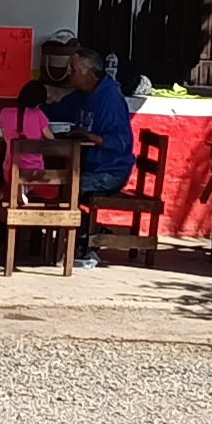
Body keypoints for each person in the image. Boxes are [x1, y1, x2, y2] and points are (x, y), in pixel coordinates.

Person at [51, 41, 135, 267]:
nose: (69, 74)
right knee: (58, 184)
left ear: (90, 75)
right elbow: (58, 111)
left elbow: (121, 142)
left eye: (74, 71)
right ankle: (87, 231)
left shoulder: (110, 99)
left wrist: (89, 136)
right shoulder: (81, 95)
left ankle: (83, 236)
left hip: (110, 171)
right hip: (87, 167)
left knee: (65, 187)